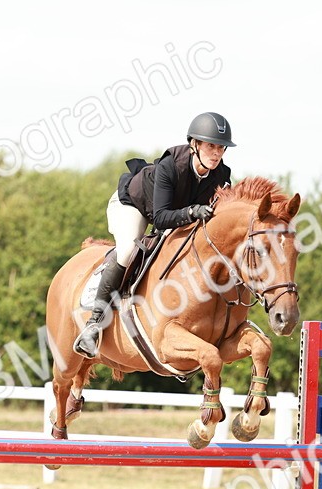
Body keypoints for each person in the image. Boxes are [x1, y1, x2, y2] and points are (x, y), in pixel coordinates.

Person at [73, 111, 236, 358]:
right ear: (195, 144)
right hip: (134, 204)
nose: (217, 153)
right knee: (128, 250)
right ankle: (94, 324)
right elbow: (160, 218)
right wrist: (193, 211)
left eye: (221, 148)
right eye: (211, 146)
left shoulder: (222, 175)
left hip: (174, 214)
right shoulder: (171, 166)